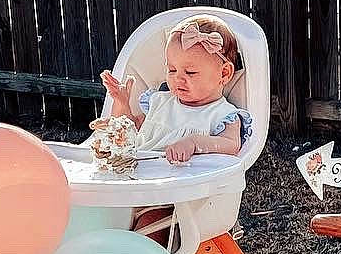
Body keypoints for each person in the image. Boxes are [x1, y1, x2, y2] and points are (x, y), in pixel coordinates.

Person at [97, 15, 251, 166]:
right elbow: (126, 133)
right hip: (138, 174)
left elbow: (232, 145)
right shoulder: (159, 102)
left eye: (190, 72)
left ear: (224, 73)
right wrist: (121, 103)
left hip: (182, 184)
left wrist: (194, 143)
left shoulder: (223, 115)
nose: (178, 78)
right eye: (171, 70)